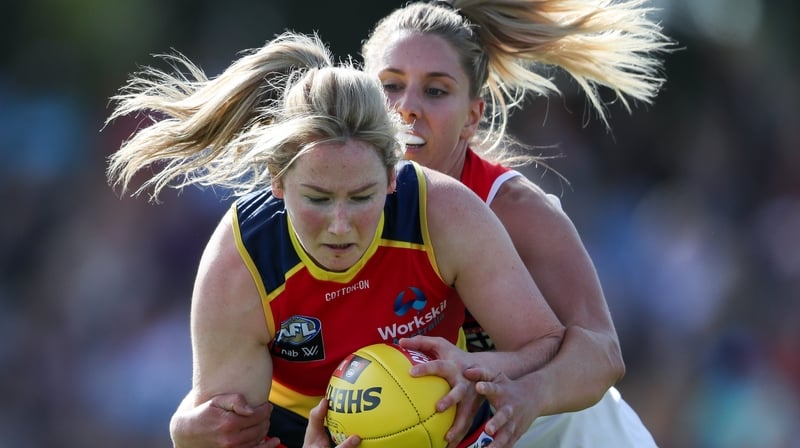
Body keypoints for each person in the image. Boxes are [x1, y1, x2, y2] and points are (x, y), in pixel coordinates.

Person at [169, 0, 672, 446]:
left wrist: (521, 391)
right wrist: (190, 426)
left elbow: (601, 352)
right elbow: (221, 416)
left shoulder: (503, 208)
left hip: (548, 424)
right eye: (391, 86)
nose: (407, 109)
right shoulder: (256, 247)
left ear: (472, 116)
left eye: (435, 92)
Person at [106, 31, 566, 448]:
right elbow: (224, 433)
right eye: (319, 198)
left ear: (391, 176)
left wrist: (481, 374)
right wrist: (190, 433)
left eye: (363, 197)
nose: (341, 225)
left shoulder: (443, 211)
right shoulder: (242, 263)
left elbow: (545, 343)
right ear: (278, 180)